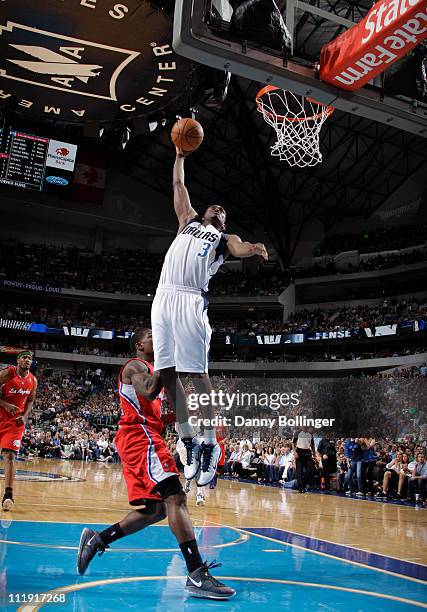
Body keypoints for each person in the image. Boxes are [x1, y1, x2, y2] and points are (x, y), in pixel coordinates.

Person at [77, 328, 235, 600]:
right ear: (139, 344)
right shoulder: (134, 366)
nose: (157, 337)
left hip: (144, 437)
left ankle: (97, 539)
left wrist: (182, 415)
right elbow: (149, 392)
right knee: (177, 498)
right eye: (151, 336)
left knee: (156, 510)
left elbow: (153, 411)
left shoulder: (151, 367)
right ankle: (196, 573)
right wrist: (169, 361)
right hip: (141, 438)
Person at [151, 145, 268, 487]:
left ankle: (210, 444)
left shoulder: (223, 237)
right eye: (214, 206)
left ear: (223, 221)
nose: (218, 209)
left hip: (190, 301)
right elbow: (178, 186)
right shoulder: (186, 221)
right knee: (167, 373)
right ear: (203, 212)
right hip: (163, 297)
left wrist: (254, 249)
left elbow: (239, 248)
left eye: (223, 210)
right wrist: (179, 156)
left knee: (198, 376)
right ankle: (187, 438)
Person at [0, 350, 37, 511]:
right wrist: (5, 404)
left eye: (30, 358)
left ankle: (8, 495)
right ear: (18, 360)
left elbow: (30, 400)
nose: (27, 360)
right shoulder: (7, 373)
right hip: (1, 415)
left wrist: (25, 415)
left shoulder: (33, 380)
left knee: (10, 455)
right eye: (24, 357)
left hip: (15, 423)